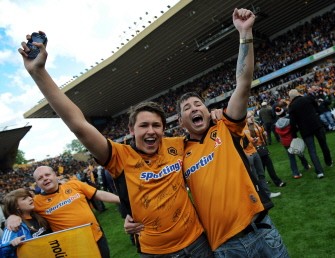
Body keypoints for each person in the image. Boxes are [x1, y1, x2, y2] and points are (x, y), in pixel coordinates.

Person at [17, 30, 214, 257]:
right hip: (157, 252)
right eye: (143, 126)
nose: (151, 131)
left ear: (164, 129)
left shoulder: (178, 145)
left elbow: (206, 133)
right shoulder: (119, 156)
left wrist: (214, 114)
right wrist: (39, 72)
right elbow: (78, 126)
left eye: (156, 126)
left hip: (198, 242)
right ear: (131, 130)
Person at [176, 8, 289, 257]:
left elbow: (243, 82)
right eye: (188, 108)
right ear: (181, 121)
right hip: (226, 247)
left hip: (261, 230)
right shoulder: (178, 153)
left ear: (207, 110)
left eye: (198, 104)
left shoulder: (226, 126)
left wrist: (245, 32)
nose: (195, 108)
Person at [7, 166, 120, 258]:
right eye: (40, 178)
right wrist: (11, 216)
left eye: (47, 175)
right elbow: (19, 208)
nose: (45, 178)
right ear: (37, 183)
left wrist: (122, 200)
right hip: (73, 247)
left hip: (97, 236)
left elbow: (98, 194)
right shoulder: (36, 202)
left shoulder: (74, 184)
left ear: (55, 175)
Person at [288, 89, 333, 179]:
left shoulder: (292, 106)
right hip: (316, 124)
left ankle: (319, 171)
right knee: (323, 144)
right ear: (298, 94)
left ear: (291, 98)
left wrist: (294, 134)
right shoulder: (308, 98)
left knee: (312, 150)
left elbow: (292, 122)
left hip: (305, 130)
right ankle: (328, 162)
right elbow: (316, 107)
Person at [1, 188, 51, 258]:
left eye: (29, 196)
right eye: (24, 198)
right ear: (16, 206)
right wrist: (11, 245)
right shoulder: (13, 226)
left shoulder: (39, 215)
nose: (30, 198)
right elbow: (2, 252)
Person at [246, 111, 286, 187]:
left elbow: (261, 131)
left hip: (262, 147)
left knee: (262, 167)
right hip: (256, 149)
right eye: (248, 117)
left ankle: (263, 183)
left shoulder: (256, 123)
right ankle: (276, 182)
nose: (251, 117)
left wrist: (264, 133)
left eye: (251, 116)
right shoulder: (247, 127)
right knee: (266, 165)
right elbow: (249, 139)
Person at [275, 106, 311, 178]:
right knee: (299, 153)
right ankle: (306, 166)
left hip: (285, 142)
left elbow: (278, 133)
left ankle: (296, 173)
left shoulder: (276, 125)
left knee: (291, 157)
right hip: (292, 140)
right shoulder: (289, 121)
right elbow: (295, 129)